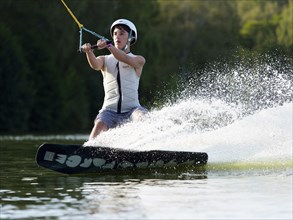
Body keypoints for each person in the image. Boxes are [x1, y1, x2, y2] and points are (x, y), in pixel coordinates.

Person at [81, 19, 147, 140]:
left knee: (142, 117)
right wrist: (89, 52)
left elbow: (123, 58)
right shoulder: (105, 59)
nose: (117, 36)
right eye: (115, 34)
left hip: (132, 110)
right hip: (109, 111)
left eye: (122, 33)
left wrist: (108, 45)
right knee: (99, 124)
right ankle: (87, 152)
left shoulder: (138, 60)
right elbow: (95, 65)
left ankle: (144, 149)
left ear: (131, 37)